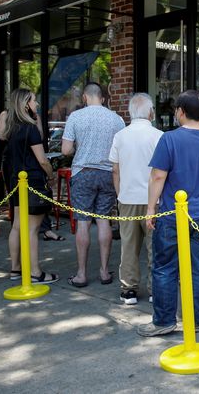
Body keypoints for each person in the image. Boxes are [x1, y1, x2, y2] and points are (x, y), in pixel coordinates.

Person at [137, 90, 199, 336]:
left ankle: (164, 321)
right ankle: (195, 319)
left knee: (164, 267)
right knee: (197, 268)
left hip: (170, 214)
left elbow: (158, 176)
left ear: (181, 112)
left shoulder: (169, 139)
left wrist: (150, 208)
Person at [62, 82, 125, 287]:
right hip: (108, 174)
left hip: (83, 173)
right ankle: (104, 272)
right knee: (104, 221)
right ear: (103, 98)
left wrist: (80, 148)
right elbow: (121, 151)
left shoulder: (75, 117)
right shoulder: (116, 119)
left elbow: (65, 150)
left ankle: (81, 274)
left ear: (85, 98)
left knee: (83, 222)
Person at [109, 93, 163, 305]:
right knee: (155, 247)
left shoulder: (120, 136)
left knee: (129, 246)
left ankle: (128, 289)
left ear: (131, 112)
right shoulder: (159, 135)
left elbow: (115, 170)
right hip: (154, 200)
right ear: (150, 112)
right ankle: (155, 289)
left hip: (128, 197)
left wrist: (119, 193)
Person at [2, 89, 59, 283]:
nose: (37, 104)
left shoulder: (12, 128)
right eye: (34, 100)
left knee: (17, 226)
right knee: (32, 229)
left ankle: (15, 269)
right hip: (33, 181)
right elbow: (43, 160)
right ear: (26, 104)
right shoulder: (30, 128)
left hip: (16, 180)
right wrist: (51, 176)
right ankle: (35, 272)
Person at [0, 109, 63, 243]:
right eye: (33, 100)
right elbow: (3, 136)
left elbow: (40, 136)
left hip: (32, 163)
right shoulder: (6, 114)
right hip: (13, 161)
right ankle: (23, 233)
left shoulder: (33, 119)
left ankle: (45, 229)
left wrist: (35, 120)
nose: (37, 103)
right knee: (17, 203)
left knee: (39, 199)